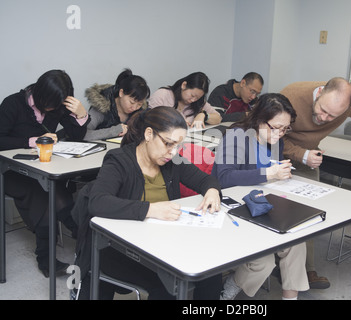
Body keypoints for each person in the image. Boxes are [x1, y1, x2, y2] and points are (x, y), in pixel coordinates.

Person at [71, 106, 223, 299]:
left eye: (178, 145)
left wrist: (211, 191)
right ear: (149, 134)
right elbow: (98, 202)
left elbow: (205, 180)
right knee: (168, 286)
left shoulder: (172, 161)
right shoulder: (119, 161)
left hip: (161, 243)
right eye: (168, 143)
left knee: (211, 271)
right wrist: (150, 209)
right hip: (119, 248)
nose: (172, 152)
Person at [281, 77, 351, 289]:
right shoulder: (291, 95)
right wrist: (301, 154)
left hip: (308, 158)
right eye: (322, 110)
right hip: (278, 154)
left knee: (308, 215)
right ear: (319, 92)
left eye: (333, 116)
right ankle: (278, 263)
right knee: (278, 210)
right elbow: (267, 132)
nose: (323, 118)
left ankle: (305, 270)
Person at [212, 93, 309, 300]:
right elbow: (224, 178)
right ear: (259, 119)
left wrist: (279, 172)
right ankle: (231, 285)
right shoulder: (236, 136)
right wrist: (269, 174)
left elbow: (269, 172)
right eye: (276, 127)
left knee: (297, 242)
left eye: (286, 128)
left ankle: (290, 298)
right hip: (233, 208)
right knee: (263, 261)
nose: (281, 133)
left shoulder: (275, 140)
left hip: (262, 204)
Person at [0, 69, 88, 276]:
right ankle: (47, 258)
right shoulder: (12, 104)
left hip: (42, 168)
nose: (52, 109)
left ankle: (82, 237)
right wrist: (31, 141)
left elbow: (76, 136)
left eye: (56, 106)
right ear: (39, 93)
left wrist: (82, 115)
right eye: (49, 104)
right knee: (44, 196)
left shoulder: (57, 105)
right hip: (12, 171)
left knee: (57, 190)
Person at [83, 69, 150, 141]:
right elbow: (84, 134)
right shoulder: (102, 107)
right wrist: (114, 131)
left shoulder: (140, 112)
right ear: (121, 93)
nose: (134, 108)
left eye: (139, 104)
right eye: (132, 102)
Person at [148, 72, 221, 129]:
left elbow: (218, 118)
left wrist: (204, 115)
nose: (193, 100)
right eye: (192, 95)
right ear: (184, 85)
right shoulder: (162, 95)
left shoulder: (198, 102)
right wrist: (176, 123)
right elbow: (151, 120)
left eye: (197, 98)